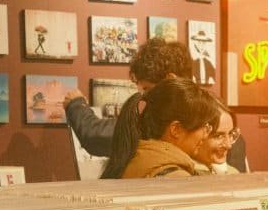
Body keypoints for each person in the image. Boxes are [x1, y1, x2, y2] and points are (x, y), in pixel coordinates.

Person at [63, 37, 193, 158]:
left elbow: (95, 136)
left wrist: (76, 104)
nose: (145, 96)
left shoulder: (162, 122)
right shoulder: (201, 112)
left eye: (147, 89)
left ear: (170, 80)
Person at [105, 78, 221, 179]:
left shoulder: (135, 157)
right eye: (204, 127)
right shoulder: (176, 178)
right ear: (176, 129)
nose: (206, 135)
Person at [193, 104, 241, 175]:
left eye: (230, 134)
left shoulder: (233, 173)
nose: (228, 145)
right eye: (218, 136)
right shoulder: (183, 176)